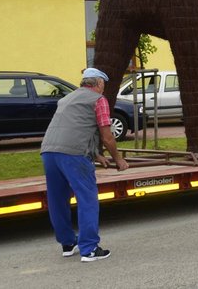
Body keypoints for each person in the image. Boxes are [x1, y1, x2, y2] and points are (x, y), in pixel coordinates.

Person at [40, 68, 128, 262]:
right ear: (98, 84)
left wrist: (96, 155)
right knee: (87, 199)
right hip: (74, 155)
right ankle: (89, 249)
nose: (103, 89)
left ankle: (68, 243)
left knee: (57, 200)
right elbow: (107, 136)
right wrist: (118, 159)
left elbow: (74, 128)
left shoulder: (66, 99)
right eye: (103, 85)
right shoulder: (98, 100)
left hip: (49, 151)